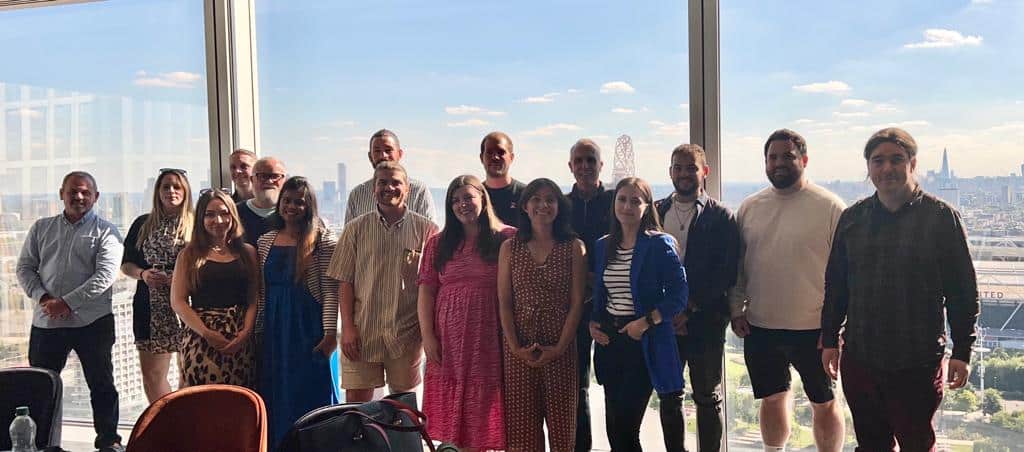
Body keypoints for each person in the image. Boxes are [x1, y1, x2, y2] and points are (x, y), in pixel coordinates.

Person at [821, 128, 979, 451]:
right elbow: (836, 286)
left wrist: (963, 350)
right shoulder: (853, 219)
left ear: (913, 164)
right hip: (861, 357)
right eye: (878, 160)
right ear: (868, 168)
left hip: (917, 362)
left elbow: (963, 291)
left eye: (896, 159)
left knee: (917, 444)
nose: (887, 168)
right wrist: (828, 340)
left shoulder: (941, 218)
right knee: (871, 444)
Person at [728, 129, 846, 452]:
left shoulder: (831, 207)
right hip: (761, 324)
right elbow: (738, 266)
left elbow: (845, 274)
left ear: (804, 160)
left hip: (816, 329)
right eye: (772, 157)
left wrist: (838, 327)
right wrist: (736, 309)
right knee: (772, 399)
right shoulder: (750, 208)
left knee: (824, 401)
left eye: (787, 156)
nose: (779, 163)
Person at [16, 171, 125, 452]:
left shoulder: (106, 231)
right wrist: (43, 299)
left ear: (95, 197)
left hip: (93, 322)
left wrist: (66, 303)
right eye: (73, 191)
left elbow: (105, 276)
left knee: (101, 385)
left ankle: (108, 442)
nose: (79, 197)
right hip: (47, 322)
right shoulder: (41, 228)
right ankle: (40, 444)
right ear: (61, 193)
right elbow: (25, 268)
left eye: (86, 192)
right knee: (39, 386)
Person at [418, 175, 515, 450]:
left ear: (483, 199)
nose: (462, 205)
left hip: (490, 335)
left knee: (486, 407)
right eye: (455, 200)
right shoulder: (438, 243)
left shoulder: (507, 238)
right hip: (449, 339)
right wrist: (428, 337)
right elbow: (426, 291)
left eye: (468, 198)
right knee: (452, 415)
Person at [591, 177, 688, 452]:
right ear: (614, 204)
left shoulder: (660, 244)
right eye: (622, 199)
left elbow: (679, 296)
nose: (628, 206)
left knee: (626, 428)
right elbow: (601, 293)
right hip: (611, 342)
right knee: (614, 432)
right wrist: (593, 323)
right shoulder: (603, 245)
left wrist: (647, 322)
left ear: (647, 206)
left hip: (644, 343)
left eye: (636, 200)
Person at [328, 161, 438, 403]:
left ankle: (398, 443)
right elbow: (344, 281)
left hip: (406, 334)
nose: (389, 187)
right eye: (382, 182)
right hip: (362, 331)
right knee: (357, 408)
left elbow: (433, 286)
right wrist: (347, 328)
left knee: (403, 407)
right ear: (373, 189)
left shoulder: (427, 230)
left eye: (396, 182)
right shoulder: (355, 229)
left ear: (407, 189)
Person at [655, 144, 739, 451]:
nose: (684, 173)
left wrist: (688, 308)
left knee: (706, 396)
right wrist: (667, 312)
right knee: (668, 395)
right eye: (678, 167)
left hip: (705, 321)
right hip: (664, 322)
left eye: (691, 167)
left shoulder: (721, 216)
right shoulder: (656, 210)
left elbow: (726, 272)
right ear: (670, 172)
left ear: (705, 171)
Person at [498, 178, 586, 452]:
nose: (543, 205)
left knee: (563, 435)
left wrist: (559, 347)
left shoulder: (574, 247)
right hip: (519, 350)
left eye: (550, 199)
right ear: (525, 206)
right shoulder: (510, 248)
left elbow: (577, 303)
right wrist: (515, 347)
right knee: (522, 438)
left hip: (561, 348)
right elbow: (504, 301)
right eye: (536, 199)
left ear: (559, 206)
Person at [256, 177, 338, 448]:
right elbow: (261, 292)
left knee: (312, 393)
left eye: (299, 202)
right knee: (277, 393)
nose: (292, 206)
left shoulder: (321, 239)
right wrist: (258, 331)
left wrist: (329, 334)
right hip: (275, 331)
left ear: (309, 206)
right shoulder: (265, 241)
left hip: (309, 329)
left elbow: (329, 291)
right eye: (287, 201)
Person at [170, 189, 258, 388]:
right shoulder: (189, 255)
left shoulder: (248, 253)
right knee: (203, 403)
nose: (218, 220)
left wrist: (245, 333)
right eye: (210, 214)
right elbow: (178, 302)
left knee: (238, 402)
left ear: (233, 216)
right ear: (200, 218)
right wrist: (207, 333)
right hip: (201, 337)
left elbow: (254, 298)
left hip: (240, 337)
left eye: (224, 213)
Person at [122, 168, 194, 403]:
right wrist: (143, 274)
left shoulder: (198, 223)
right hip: (149, 306)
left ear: (186, 191)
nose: (171, 191)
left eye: (177, 186)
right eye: (166, 186)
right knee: (153, 376)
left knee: (189, 374)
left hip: (189, 306)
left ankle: (186, 425)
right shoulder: (142, 223)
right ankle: (166, 423)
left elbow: (209, 263)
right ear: (157, 192)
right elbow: (126, 264)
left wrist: (180, 278)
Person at [565, 138, 615, 452]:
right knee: (577, 387)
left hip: (614, 304)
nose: (585, 166)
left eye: (591, 160)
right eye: (579, 161)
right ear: (570, 166)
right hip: (574, 306)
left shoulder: (615, 200)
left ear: (601, 165)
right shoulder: (560, 205)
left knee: (613, 384)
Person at [344, 129, 436, 223]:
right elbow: (349, 235)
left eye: (388, 150)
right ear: (370, 156)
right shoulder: (357, 195)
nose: (383, 156)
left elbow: (430, 234)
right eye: (377, 151)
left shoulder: (419, 191)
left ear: (400, 154)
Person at [237, 156, 287, 247]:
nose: (269, 181)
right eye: (263, 176)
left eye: (275, 176)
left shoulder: (294, 214)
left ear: (285, 180)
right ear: (252, 180)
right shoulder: (235, 212)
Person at [480, 131, 527, 227]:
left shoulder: (526, 195)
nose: (495, 157)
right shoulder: (476, 196)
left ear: (511, 157)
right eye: (489, 152)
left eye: (501, 152)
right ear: (481, 158)